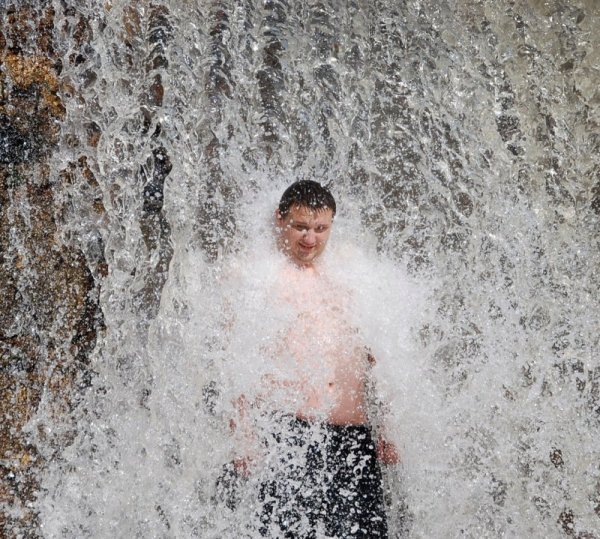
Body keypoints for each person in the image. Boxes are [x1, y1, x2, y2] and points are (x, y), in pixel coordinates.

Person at [230, 180, 399, 538]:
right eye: (301, 227)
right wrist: (243, 436)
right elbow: (235, 361)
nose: (310, 239)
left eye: (321, 229)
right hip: (291, 435)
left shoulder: (349, 275)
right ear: (280, 220)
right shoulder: (257, 276)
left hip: (353, 438)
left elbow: (376, 355)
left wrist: (386, 427)